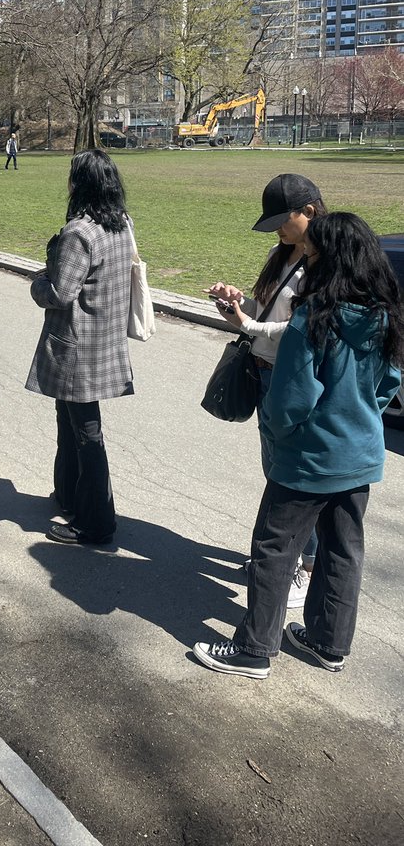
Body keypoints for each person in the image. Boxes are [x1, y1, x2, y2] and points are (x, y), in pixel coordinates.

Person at [194, 213, 403, 680]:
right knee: (342, 549)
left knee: (273, 547)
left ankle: (253, 648)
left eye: (312, 255)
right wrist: (362, 413)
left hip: (310, 456)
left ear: (329, 259)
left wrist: (274, 425)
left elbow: (293, 393)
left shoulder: (315, 315)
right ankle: (329, 642)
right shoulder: (385, 312)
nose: (306, 260)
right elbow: (391, 379)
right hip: (362, 453)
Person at [208, 173, 329, 607]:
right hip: (262, 372)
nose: (278, 229)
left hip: (291, 378)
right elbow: (265, 308)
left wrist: (253, 324)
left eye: (283, 220)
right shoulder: (281, 256)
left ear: (309, 212)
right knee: (275, 470)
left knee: (294, 477)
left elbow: (305, 328)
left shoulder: (325, 262)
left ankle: (306, 565)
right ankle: (282, 558)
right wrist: (237, 304)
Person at [25, 149, 134, 546]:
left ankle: (96, 521)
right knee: (71, 425)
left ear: (81, 184)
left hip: (77, 348)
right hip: (105, 341)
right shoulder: (121, 223)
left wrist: (38, 280)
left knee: (87, 434)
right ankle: (70, 495)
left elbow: (59, 292)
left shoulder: (79, 233)